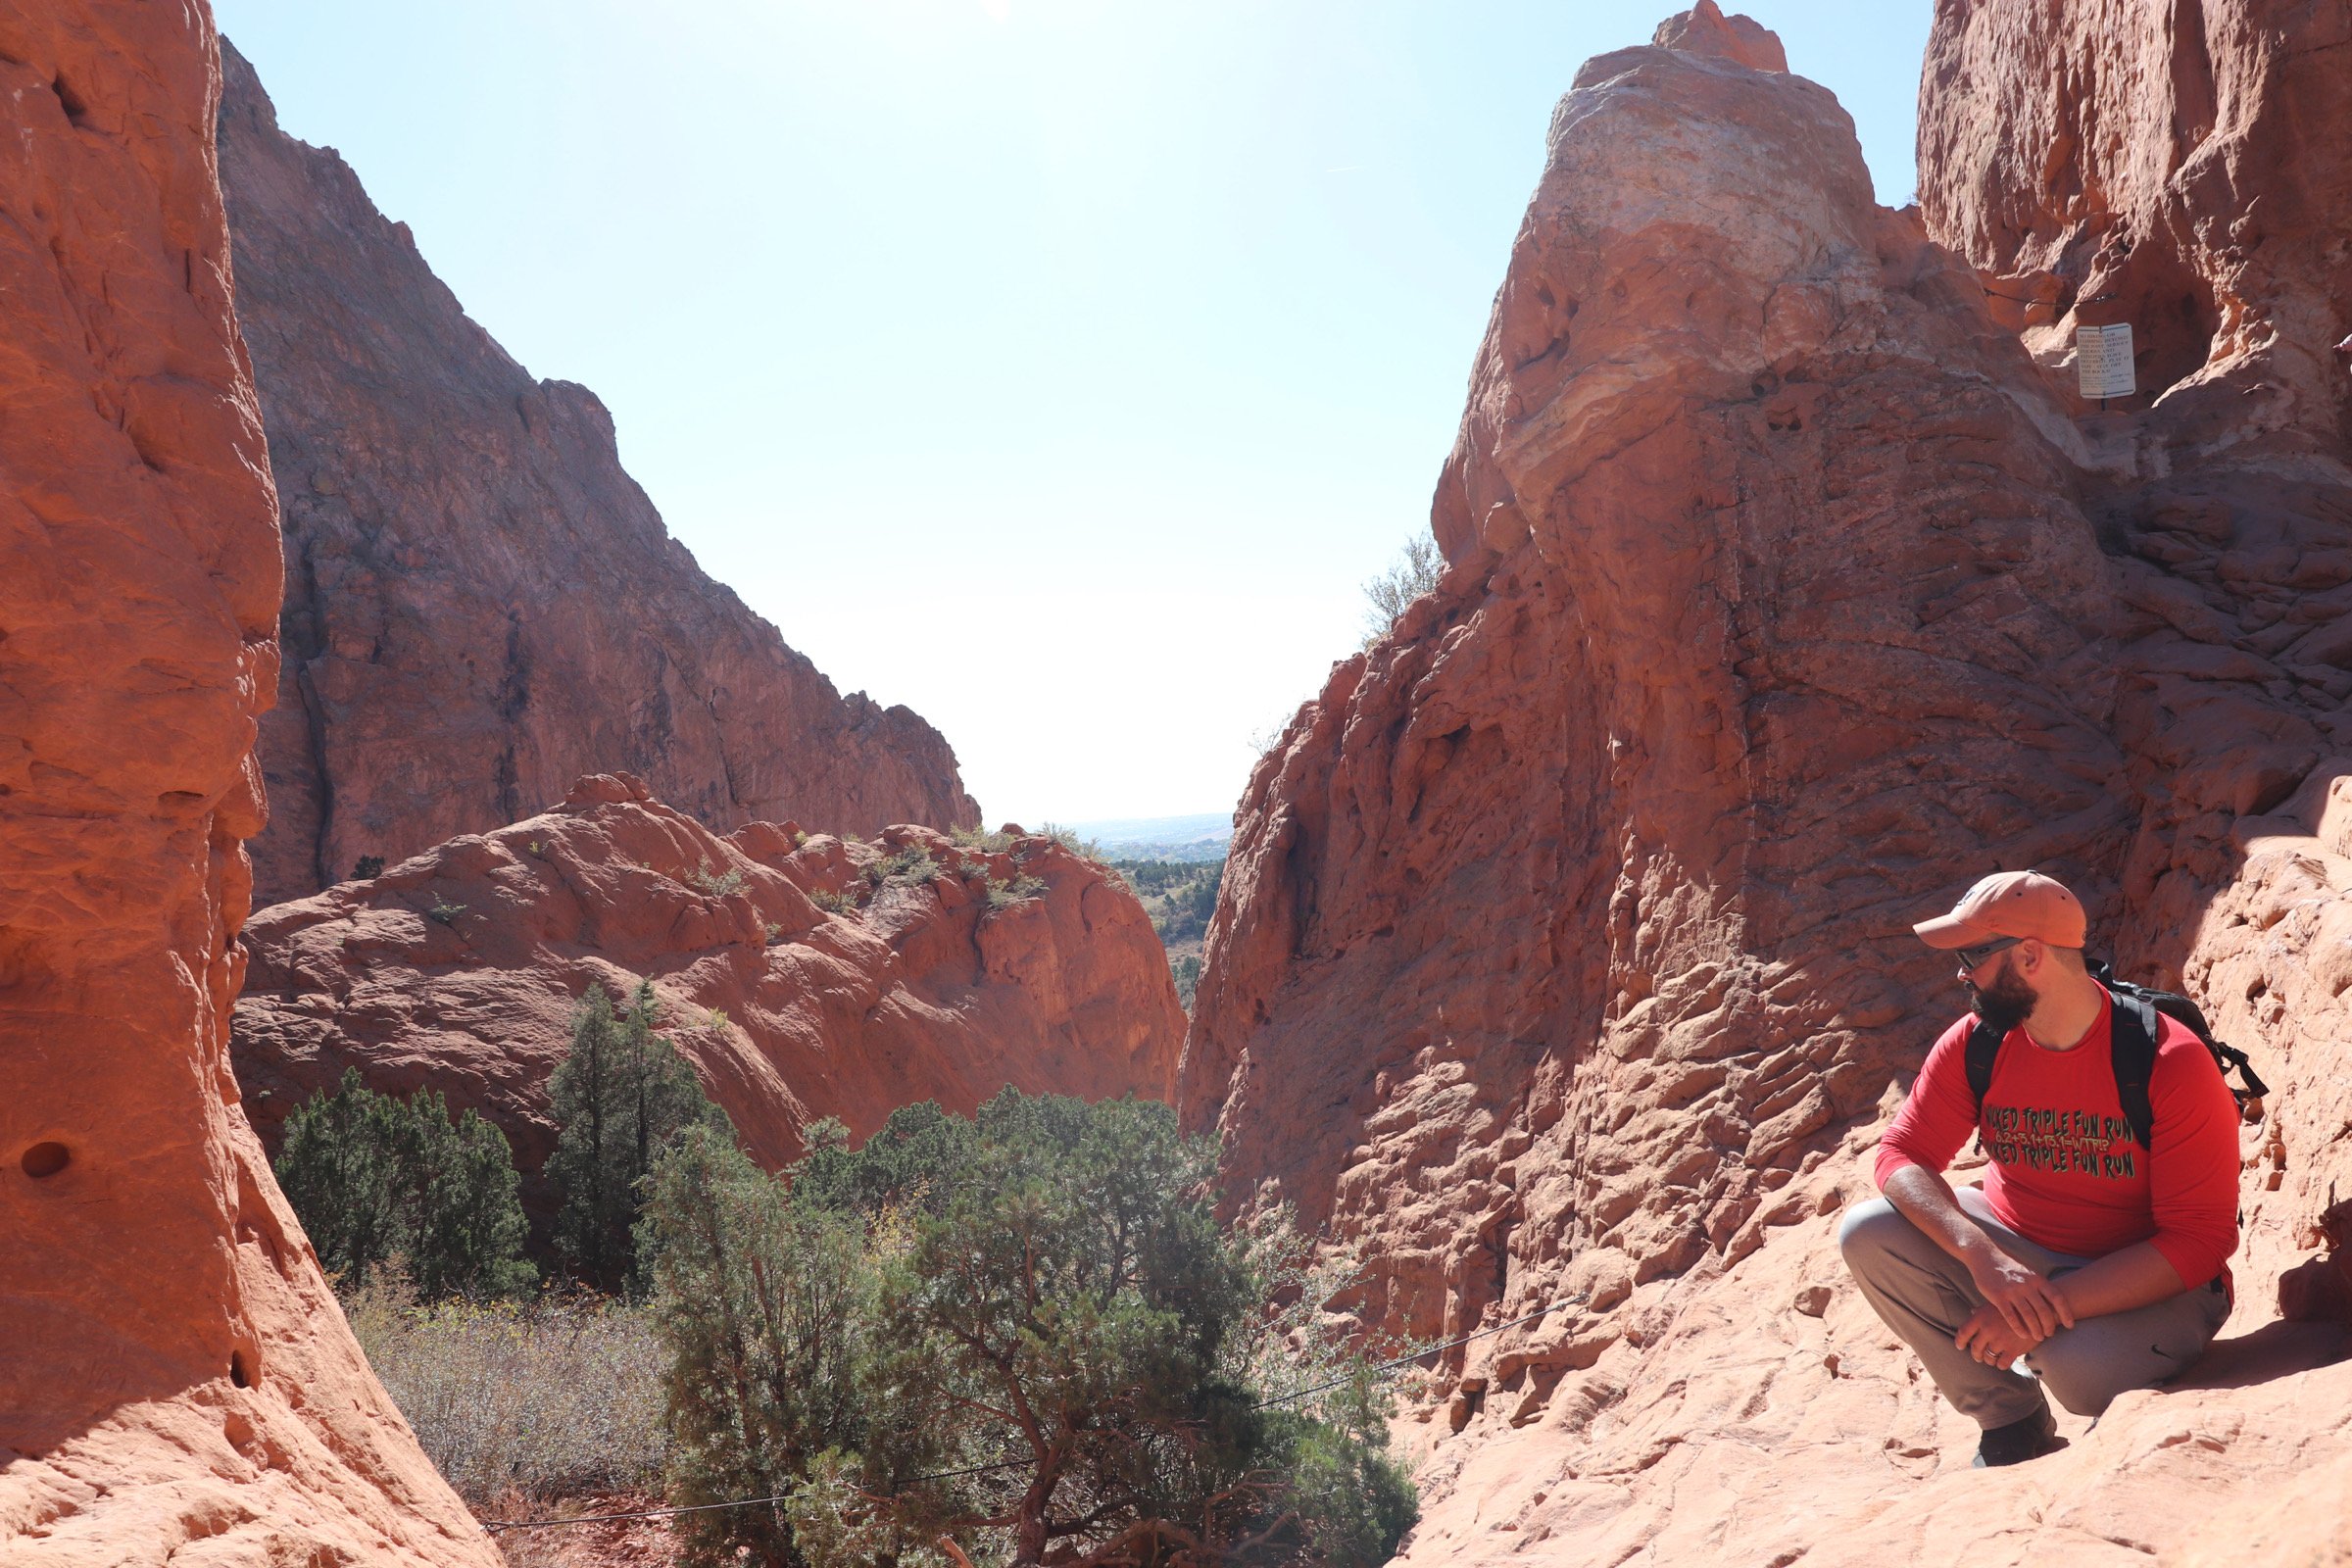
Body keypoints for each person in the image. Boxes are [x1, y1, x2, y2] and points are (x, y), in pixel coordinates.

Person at [1838, 870, 2240, 1467]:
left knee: (2080, 1371)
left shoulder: (2166, 1060)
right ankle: (2011, 1418)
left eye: (1972, 955)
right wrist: (1981, 1254)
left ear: (2030, 956)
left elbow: (2198, 1243)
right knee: (1869, 1232)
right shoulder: (1979, 1041)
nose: (1960, 973)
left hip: (2145, 1278)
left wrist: (2047, 1310)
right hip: (2016, 1247)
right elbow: (1900, 1154)